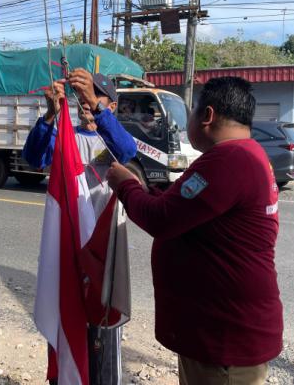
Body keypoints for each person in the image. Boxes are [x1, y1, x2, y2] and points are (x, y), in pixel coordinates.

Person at [106, 76, 283, 385]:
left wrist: (126, 185)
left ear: (208, 116)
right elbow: (186, 209)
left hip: (226, 340)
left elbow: (160, 220)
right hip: (222, 332)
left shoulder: (228, 160)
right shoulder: (246, 154)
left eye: (192, 111)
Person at [22, 68, 136, 385]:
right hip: (70, 247)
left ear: (110, 105)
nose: (86, 101)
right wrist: (49, 115)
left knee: (103, 330)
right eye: (84, 95)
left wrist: (98, 111)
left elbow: (127, 151)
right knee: (66, 321)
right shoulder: (66, 137)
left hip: (104, 249)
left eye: (96, 95)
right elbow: (33, 157)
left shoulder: (112, 136)